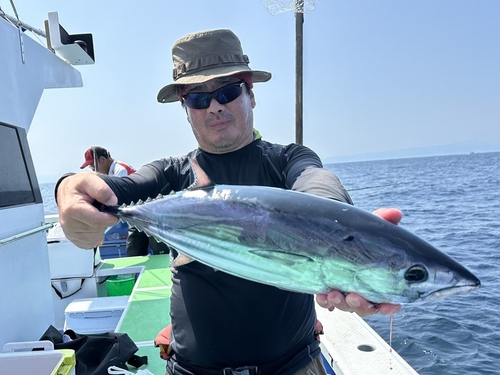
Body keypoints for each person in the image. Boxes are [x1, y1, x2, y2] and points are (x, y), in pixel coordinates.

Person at [56, 29, 401, 375]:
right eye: (198, 97)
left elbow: (316, 181)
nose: (216, 105)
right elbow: (115, 187)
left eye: (228, 91)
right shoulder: (172, 173)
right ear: (185, 108)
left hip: (293, 367)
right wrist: (68, 188)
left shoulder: (286, 160)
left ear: (251, 94)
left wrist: (340, 225)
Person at [80, 146, 170, 256]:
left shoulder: (120, 170)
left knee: (159, 249)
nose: (94, 170)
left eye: (93, 166)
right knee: (133, 250)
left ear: (102, 160)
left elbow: (117, 199)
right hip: (136, 214)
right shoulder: (110, 173)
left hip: (150, 213)